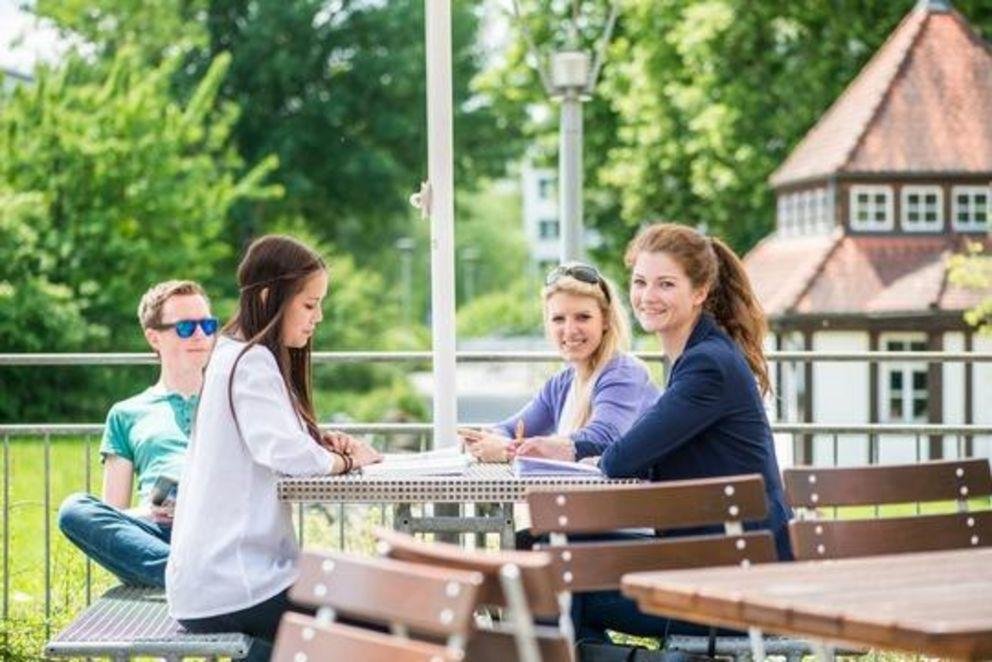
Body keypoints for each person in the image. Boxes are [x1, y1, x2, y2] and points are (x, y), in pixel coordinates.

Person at [571, 223, 793, 643]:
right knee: (545, 548)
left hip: (733, 589)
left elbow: (622, 458)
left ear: (700, 291)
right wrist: (576, 447)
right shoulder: (701, 356)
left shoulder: (706, 366)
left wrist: (595, 451)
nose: (647, 296)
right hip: (724, 567)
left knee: (559, 578)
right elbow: (643, 442)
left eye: (665, 284)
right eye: (640, 282)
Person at [165, 235, 380, 661]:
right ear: (268, 296)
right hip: (237, 586)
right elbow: (288, 456)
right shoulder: (251, 361)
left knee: (368, 607)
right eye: (309, 304)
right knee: (385, 620)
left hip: (212, 584)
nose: (318, 317)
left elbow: (281, 441)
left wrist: (319, 442)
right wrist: (347, 460)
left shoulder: (232, 354)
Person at [58, 280, 217, 588]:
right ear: (153, 337)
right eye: (186, 327)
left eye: (207, 325)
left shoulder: (233, 401)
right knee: (74, 509)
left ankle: (186, 579)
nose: (201, 335)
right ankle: (190, 578)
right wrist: (153, 509)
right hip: (158, 532)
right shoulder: (126, 413)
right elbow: (114, 514)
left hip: (217, 522)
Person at [459, 262, 658, 464]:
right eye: (558, 319)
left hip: (631, 495)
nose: (570, 330)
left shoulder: (624, 373)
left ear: (605, 320)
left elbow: (603, 438)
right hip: (587, 494)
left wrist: (510, 449)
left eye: (583, 317)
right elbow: (510, 428)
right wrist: (487, 438)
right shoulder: (561, 384)